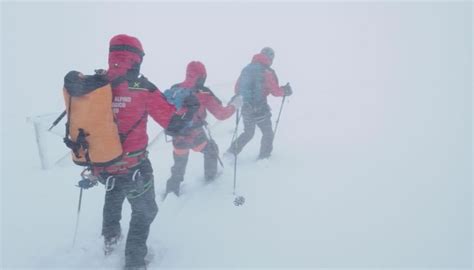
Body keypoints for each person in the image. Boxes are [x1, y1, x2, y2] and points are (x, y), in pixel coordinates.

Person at [91, 34, 191, 270]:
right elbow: (173, 125)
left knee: (114, 192)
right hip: (133, 166)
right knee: (146, 211)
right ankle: (134, 262)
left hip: (103, 164)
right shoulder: (142, 87)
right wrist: (188, 110)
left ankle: (110, 239)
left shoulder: (96, 83)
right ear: (136, 58)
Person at [164, 61, 243, 197]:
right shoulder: (204, 92)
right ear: (202, 76)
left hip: (177, 135)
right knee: (211, 150)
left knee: (179, 164)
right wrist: (234, 105)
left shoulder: (175, 88)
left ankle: (172, 190)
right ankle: (210, 179)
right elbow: (221, 114)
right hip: (195, 135)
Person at [226, 47, 292, 160]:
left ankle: (231, 153)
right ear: (270, 58)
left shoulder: (246, 69)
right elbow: (275, 91)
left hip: (246, 107)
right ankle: (264, 156)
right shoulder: (266, 71)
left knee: (248, 133)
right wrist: (285, 91)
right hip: (260, 108)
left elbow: (237, 89)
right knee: (268, 133)